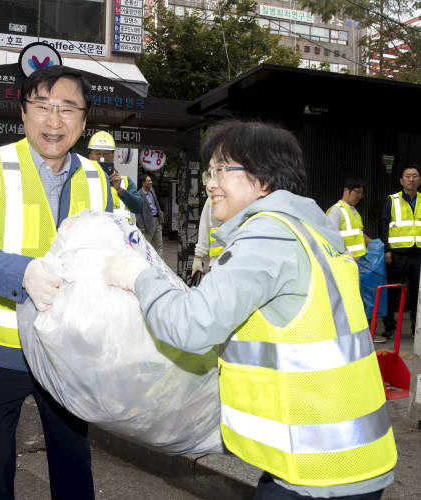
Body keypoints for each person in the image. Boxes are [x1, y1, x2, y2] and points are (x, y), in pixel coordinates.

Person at [103, 120, 396, 499]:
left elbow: (191, 327)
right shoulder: (307, 231)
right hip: (346, 460)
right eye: (210, 171)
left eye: (223, 169)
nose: (211, 183)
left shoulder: (266, 237)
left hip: (316, 472)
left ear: (263, 179)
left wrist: (139, 275)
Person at [0, 65, 113, 499]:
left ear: (83, 120)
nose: (53, 121)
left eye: (67, 108)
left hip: (66, 354)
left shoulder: (98, 180)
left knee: (74, 468)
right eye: (42, 106)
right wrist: (23, 273)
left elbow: (116, 250)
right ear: (23, 113)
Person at [381, 164, 421, 339]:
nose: (411, 179)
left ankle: (416, 328)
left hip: (418, 254)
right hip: (397, 254)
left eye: (414, 176)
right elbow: (383, 225)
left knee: (417, 293)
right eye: (408, 176)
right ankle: (390, 327)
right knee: (393, 291)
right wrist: (387, 250)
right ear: (401, 180)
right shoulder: (392, 200)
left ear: (419, 180)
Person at [87, 131, 143, 221]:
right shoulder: (82, 178)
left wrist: (120, 190)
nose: (102, 158)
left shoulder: (125, 182)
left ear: (113, 155)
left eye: (106, 153)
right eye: (97, 153)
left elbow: (138, 207)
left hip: (120, 234)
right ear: (90, 156)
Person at [326, 177, 371, 259]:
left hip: (359, 261)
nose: (359, 196)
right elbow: (332, 237)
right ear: (346, 190)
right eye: (357, 192)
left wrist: (373, 243)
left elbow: (359, 234)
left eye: (362, 194)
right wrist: (348, 254)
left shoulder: (355, 212)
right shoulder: (336, 210)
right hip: (346, 262)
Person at [191, 198, 222, 277]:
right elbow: (204, 227)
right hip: (216, 264)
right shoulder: (212, 198)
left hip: (241, 264)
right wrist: (198, 257)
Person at [135, 173, 164, 257]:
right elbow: (138, 211)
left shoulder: (152, 190)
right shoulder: (139, 194)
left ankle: (161, 266)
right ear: (144, 183)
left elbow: (156, 204)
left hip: (157, 220)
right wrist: (141, 226)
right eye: (149, 181)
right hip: (147, 222)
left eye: (151, 180)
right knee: (147, 245)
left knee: (159, 244)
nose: (151, 182)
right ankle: (146, 263)